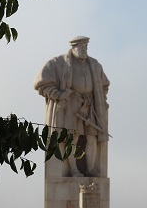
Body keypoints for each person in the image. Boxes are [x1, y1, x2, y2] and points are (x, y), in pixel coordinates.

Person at [33, 36, 110, 177]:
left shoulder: (94, 65)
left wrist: (101, 100)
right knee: (71, 138)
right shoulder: (58, 63)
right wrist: (58, 94)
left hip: (90, 106)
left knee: (92, 137)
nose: (85, 49)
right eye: (82, 47)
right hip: (70, 105)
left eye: (86, 47)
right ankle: (74, 170)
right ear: (74, 47)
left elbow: (104, 84)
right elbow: (41, 83)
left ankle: (90, 169)